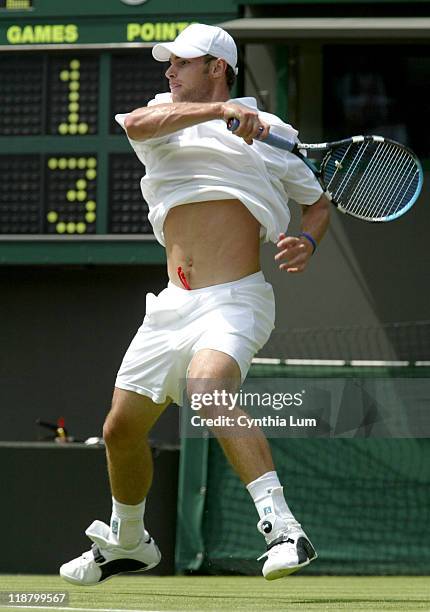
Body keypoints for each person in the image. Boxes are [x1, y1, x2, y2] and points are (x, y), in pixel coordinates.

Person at [60, 23, 330, 586]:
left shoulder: (273, 134)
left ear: (217, 67)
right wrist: (217, 113)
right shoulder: (163, 116)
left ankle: (284, 529)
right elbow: (134, 123)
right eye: (170, 63)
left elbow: (318, 201)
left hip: (234, 300)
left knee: (210, 389)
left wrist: (306, 240)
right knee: (119, 431)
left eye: (182, 62)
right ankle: (128, 541)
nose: (170, 72)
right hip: (170, 307)